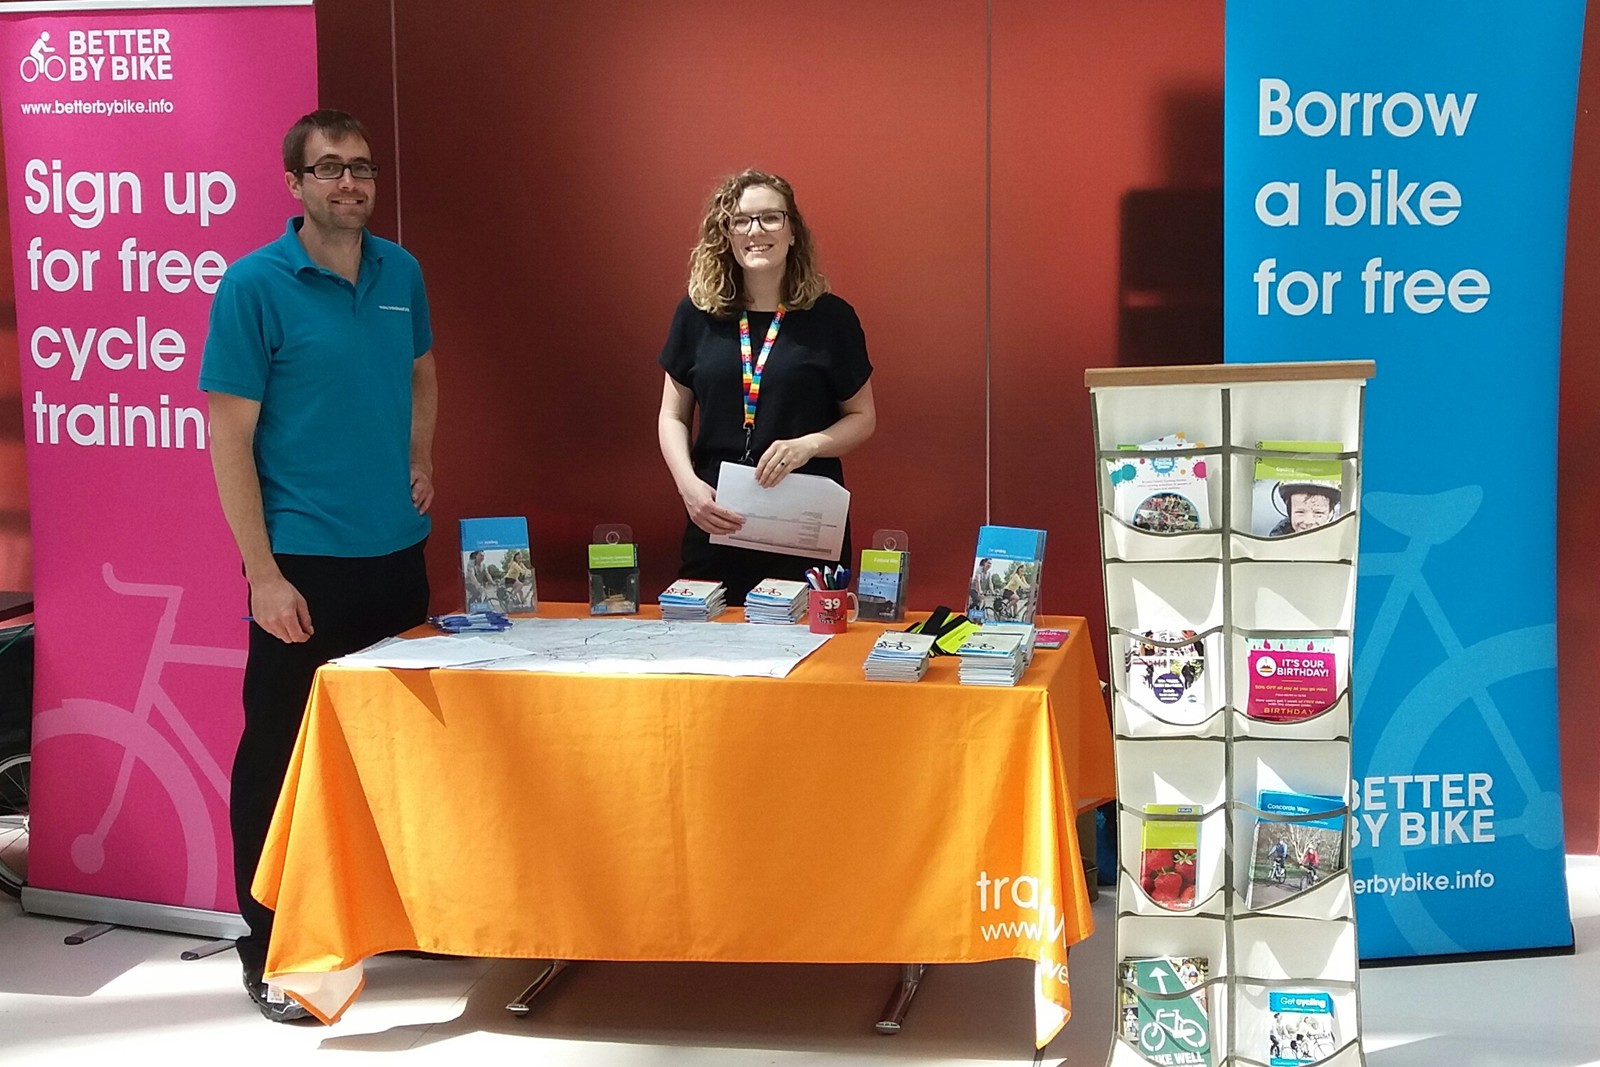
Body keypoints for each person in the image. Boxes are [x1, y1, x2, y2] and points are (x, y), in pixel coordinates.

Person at [200, 109, 437, 1023]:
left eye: (362, 168)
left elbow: (422, 372)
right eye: (330, 168)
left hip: (396, 558)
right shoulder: (253, 285)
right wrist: (261, 573)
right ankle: (270, 947)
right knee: (278, 757)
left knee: (387, 752)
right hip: (303, 565)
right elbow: (229, 435)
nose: (350, 183)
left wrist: (420, 455)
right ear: (295, 184)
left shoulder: (400, 272)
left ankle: (383, 920)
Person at [657, 169, 876, 605]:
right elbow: (671, 415)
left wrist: (809, 445)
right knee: (706, 643)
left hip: (805, 527)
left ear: (793, 232)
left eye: (771, 218)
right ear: (727, 235)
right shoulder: (697, 315)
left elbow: (862, 417)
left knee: (807, 643)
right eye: (741, 221)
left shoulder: (832, 319)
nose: (756, 231)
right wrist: (687, 485)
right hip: (715, 519)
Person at [1270, 481, 1339, 536]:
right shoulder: (1278, 539)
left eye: (1318, 513)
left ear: (1329, 513)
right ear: (1290, 512)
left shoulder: (1339, 538)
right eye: (1300, 512)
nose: (1308, 521)